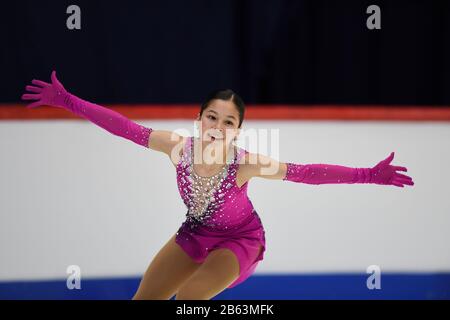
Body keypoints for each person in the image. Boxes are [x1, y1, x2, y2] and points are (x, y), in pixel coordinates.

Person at [21, 71, 414, 300]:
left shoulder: (244, 164)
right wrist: (69, 101)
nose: (218, 127)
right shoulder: (177, 148)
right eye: (212, 117)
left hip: (240, 242)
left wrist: (367, 174)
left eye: (228, 122)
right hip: (195, 233)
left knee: (190, 301)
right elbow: (125, 128)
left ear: (238, 131)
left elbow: (306, 172)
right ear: (199, 120)